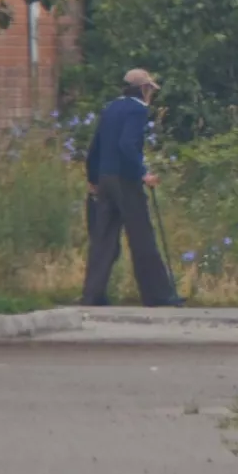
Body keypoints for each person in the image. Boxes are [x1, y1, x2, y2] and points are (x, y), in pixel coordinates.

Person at [82, 69, 183, 307]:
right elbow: (127, 144)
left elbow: (95, 145)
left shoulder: (111, 108)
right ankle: (158, 295)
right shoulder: (138, 110)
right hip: (125, 179)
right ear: (144, 89)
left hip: (105, 179)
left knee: (103, 239)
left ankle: (92, 295)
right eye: (150, 90)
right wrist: (143, 173)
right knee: (142, 238)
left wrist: (93, 177)